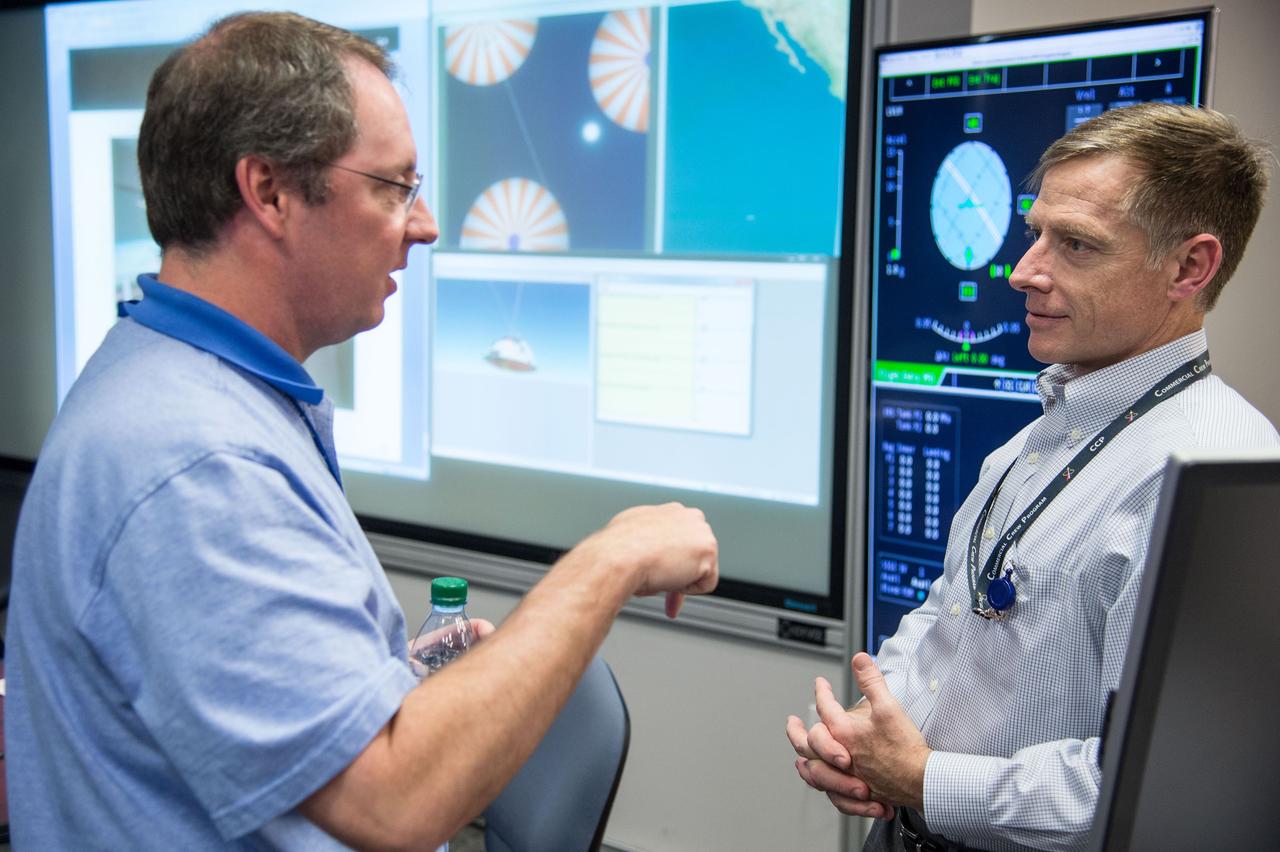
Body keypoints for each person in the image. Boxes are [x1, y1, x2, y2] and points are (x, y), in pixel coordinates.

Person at [4, 12, 717, 850]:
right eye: (394, 186)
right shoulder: (194, 464)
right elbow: (395, 806)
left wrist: (382, 681)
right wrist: (613, 557)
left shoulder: (196, 385)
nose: (423, 225)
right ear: (268, 192)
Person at [787, 102, 1279, 852]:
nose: (1023, 271)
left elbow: (1146, 791)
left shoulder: (1212, 474)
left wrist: (922, 780)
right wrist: (875, 734)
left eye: (1076, 245)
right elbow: (955, 615)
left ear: (1190, 266)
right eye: (1035, 233)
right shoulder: (1052, 428)